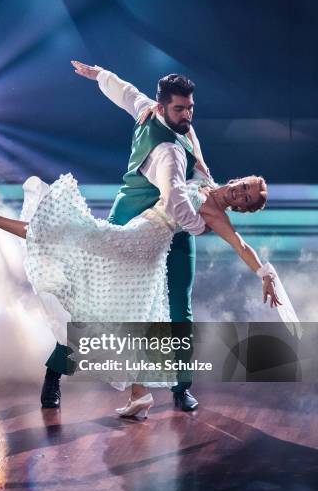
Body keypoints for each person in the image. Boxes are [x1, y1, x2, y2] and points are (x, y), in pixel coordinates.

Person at [0, 165, 290, 418]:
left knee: (65, 237)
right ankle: (138, 393)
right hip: (141, 249)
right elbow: (192, 139)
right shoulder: (203, 177)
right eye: (244, 187)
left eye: (245, 199)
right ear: (239, 179)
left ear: (241, 208)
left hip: (135, 244)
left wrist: (264, 273)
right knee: (132, 321)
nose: (240, 193)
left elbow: (240, 245)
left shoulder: (215, 214)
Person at [40, 61, 212, 412]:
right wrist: (201, 226)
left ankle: (181, 386)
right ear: (161, 107)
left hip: (173, 231)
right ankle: (55, 371)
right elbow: (176, 200)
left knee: (180, 306)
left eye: (190, 107)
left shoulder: (172, 122)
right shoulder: (161, 144)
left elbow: (126, 90)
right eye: (180, 109)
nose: (187, 114)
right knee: (100, 306)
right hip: (133, 225)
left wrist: (100, 74)